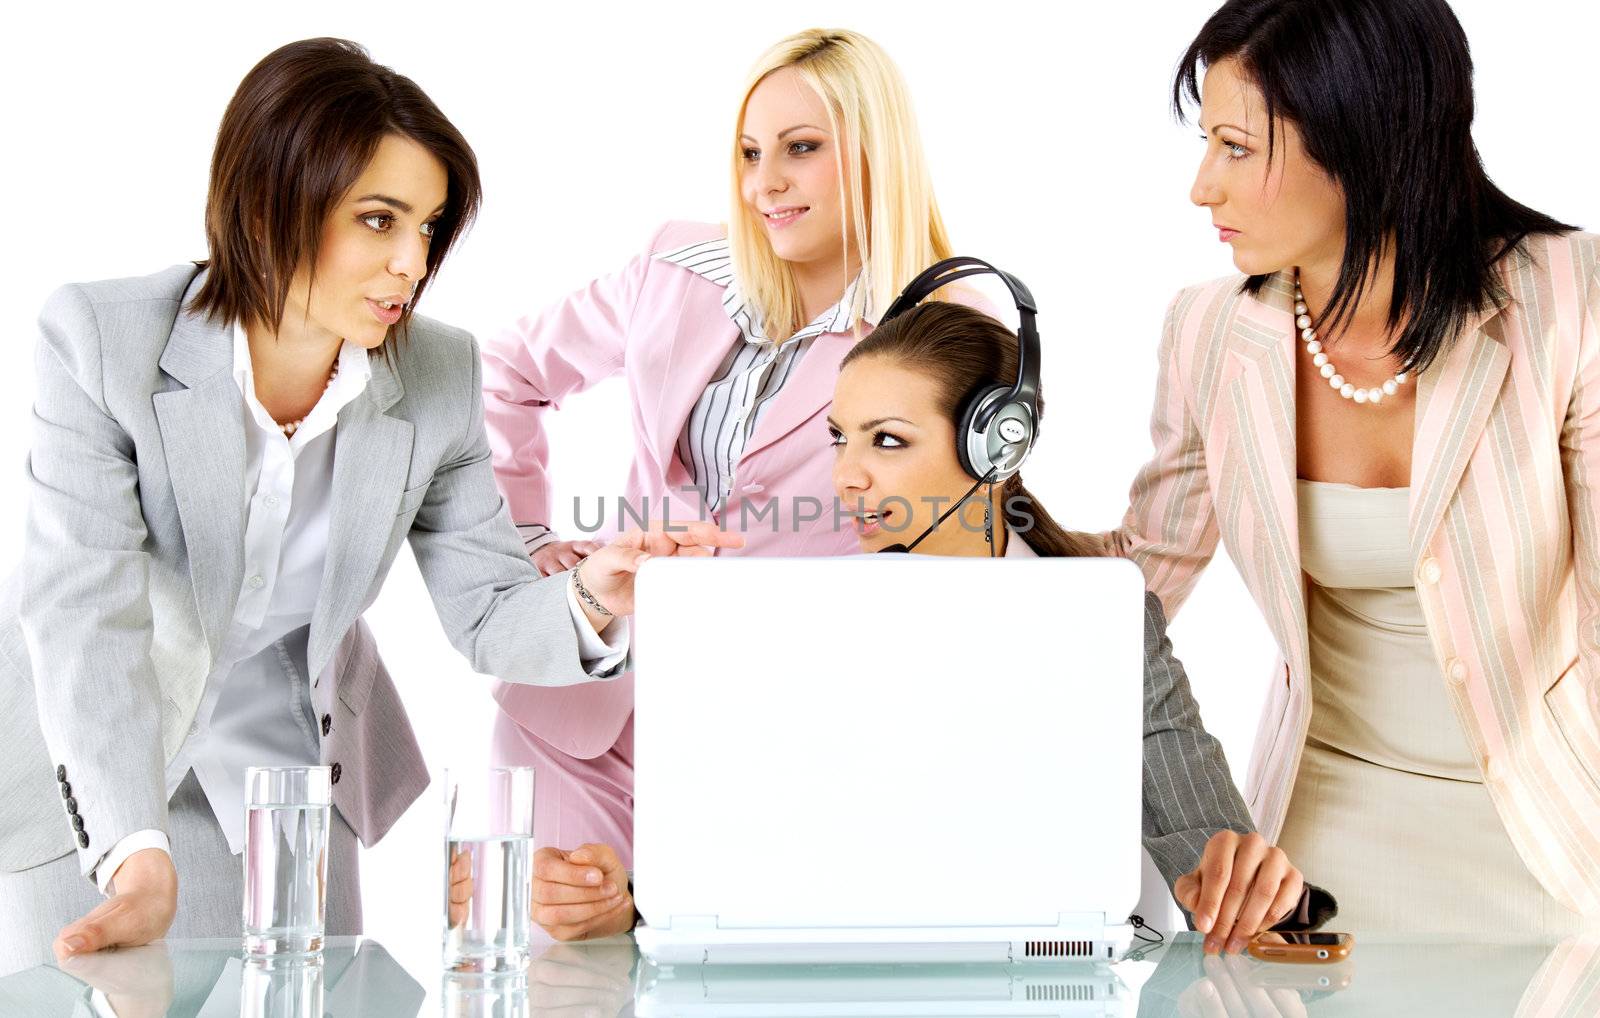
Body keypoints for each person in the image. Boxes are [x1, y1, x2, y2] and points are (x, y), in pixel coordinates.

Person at [0, 37, 737, 973]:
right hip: (92, 780)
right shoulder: (101, 339)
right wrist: (136, 854)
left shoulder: (437, 373)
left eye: (428, 227)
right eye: (379, 220)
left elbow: (489, 611)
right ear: (270, 203)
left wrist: (596, 593)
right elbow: (79, 610)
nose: (410, 264)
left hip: (291, 793)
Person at [1109, 0, 1598, 933]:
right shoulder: (1210, 331)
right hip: (1318, 858)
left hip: (1554, 845)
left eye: (1236, 147)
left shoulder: (1570, 299)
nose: (1201, 187)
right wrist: (960, 514)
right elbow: (1138, 580)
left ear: (1363, 138)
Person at [482, 28, 955, 938]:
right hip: (587, 718)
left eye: (801, 149)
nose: (763, 183)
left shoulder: (950, 325)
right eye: (748, 153)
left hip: (785, 749)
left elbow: (954, 556)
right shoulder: (674, 266)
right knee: (563, 977)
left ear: (876, 151)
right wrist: (536, 543)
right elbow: (503, 372)